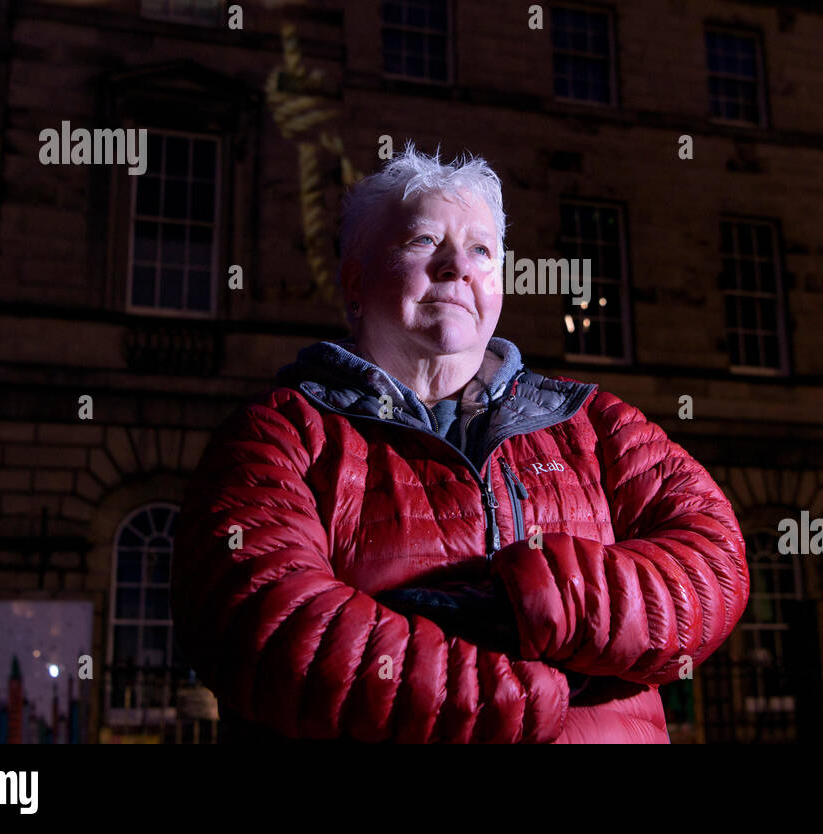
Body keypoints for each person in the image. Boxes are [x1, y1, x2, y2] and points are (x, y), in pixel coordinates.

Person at [170, 142, 750, 743]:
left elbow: (714, 562)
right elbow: (263, 620)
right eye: (423, 242)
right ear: (354, 281)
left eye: (480, 250)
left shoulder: (595, 421)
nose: (457, 266)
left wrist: (537, 602)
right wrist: (512, 693)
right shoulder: (279, 434)